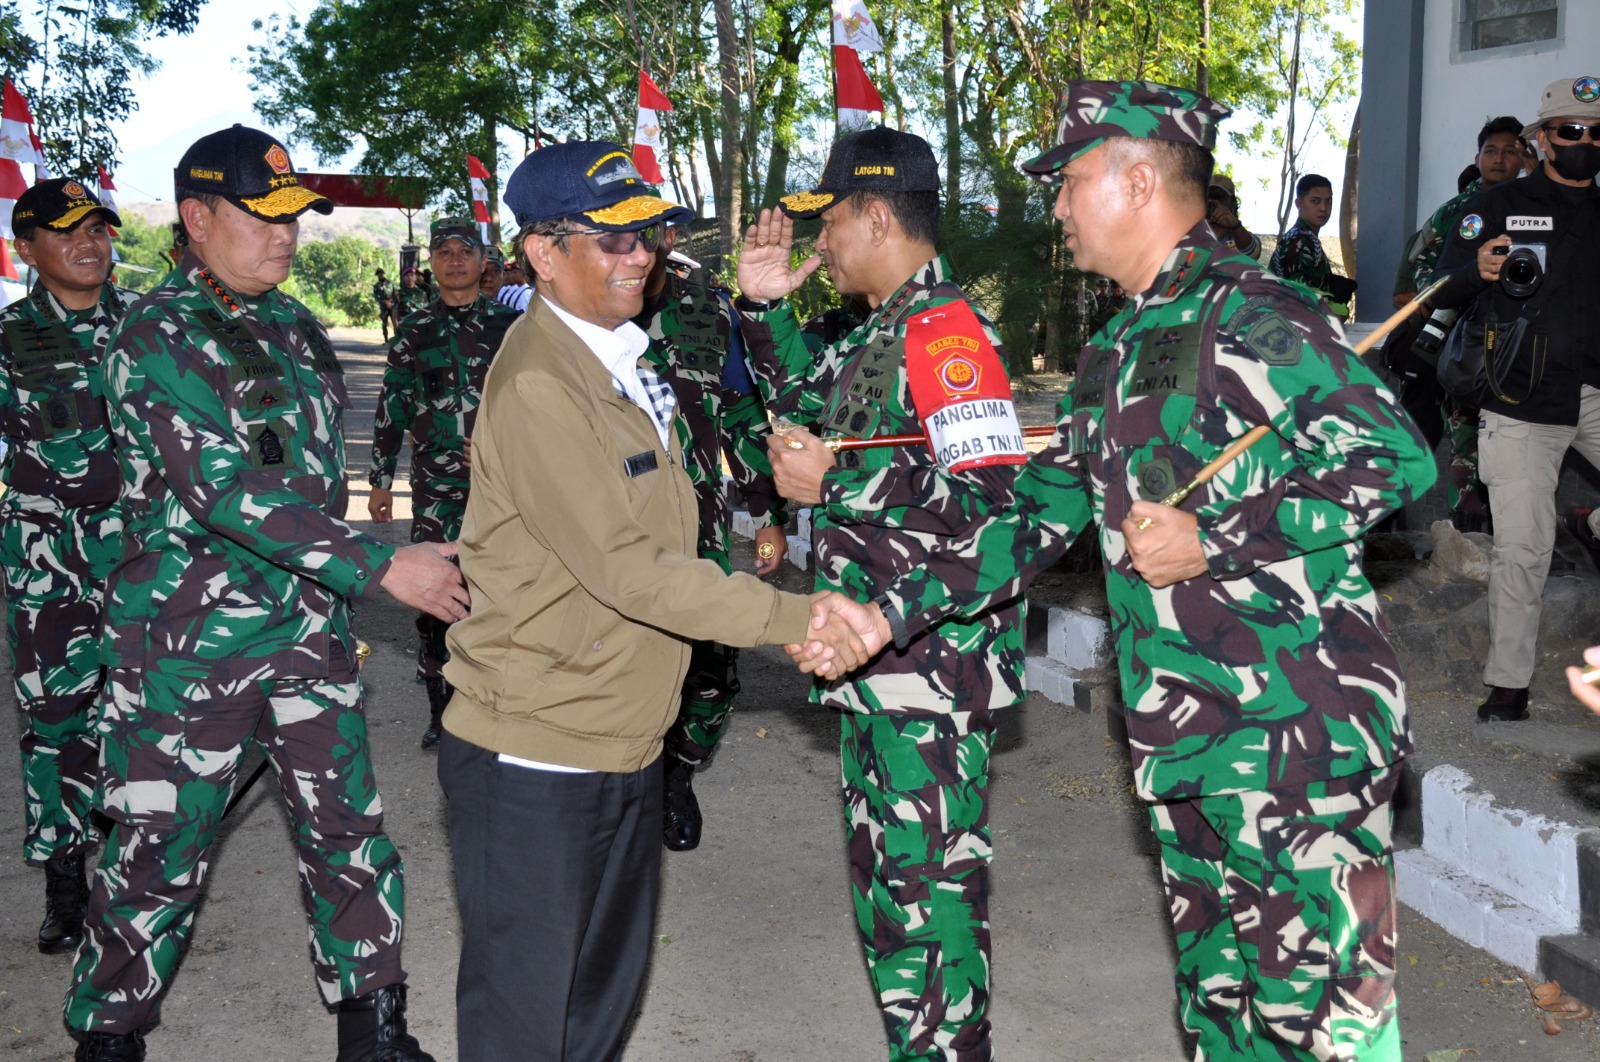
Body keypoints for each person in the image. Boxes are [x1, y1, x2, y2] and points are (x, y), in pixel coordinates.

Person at [788, 80, 1437, 1061]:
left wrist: (1214, 532)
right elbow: (1032, 513)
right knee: (1224, 1021)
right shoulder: (1117, 348)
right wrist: (888, 613)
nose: (1054, 207)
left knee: (1326, 1034)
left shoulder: (1255, 311)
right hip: (1186, 743)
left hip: (1295, 745)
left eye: (1070, 180)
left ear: (1138, 180)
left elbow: (1394, 458)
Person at [434, 139, 868, 1062]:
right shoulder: (545, 381)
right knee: (527, 1018)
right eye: (613, 240)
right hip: (538, 754)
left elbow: (668, 520)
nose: (642, 257)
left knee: (597, 1004)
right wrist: (802, 616)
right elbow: (632, 569)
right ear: (543, 252)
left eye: (649, 236)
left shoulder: (618, 358)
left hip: (621, 736)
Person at [63, 124, 470, 1062]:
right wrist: (381, 565)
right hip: (189, 648)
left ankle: (376, 1031)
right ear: (198, 219)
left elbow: (307, 483)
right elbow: (222, 490)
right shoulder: (153, 333)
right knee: (159, 852)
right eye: (265, 216)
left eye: (295, 217)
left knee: (349, 833)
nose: (287, 236)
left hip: (306, 632)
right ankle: (109, 1037)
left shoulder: (291, 326)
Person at [736, 124, 1029, 1061]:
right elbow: (809, 405)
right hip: (880, 660)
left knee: (929, 895)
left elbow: (999, 504)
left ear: (873, 214)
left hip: (931, 670)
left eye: (830, 225)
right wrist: (765, 308)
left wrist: (843, 486)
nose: (819, 244)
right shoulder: (883, 330)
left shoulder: (944, 333)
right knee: (892, 894)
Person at [1428, 77, 1600, 723]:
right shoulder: (1495, 204)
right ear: (1542, 138)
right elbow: (1439, 286)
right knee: (1523, 550)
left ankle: (1589, 523)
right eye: (1570, 131)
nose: (1585, 142)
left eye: (1596, 133)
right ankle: (1508, 686)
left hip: (1594, 392)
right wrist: (1480, 271)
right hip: (1520, 397)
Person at [0, 179, 136, 958]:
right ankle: (64, 882)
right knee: (54, 725)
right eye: (67, 232)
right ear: (27, 249)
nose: (90, 243)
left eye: (99, 229)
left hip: (147, 566)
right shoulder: (11, 338)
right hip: (47, 572)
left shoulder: (151, 331)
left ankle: (133, 873)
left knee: (140, 717)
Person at [634, 219, 790, 851]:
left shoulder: (706, 303)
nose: (641, 245)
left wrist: (767, 512)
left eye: (652, 231)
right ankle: (621, 787)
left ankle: (677, 771)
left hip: (696, 521)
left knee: (711, 670)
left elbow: (742, 409)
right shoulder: (573, 306)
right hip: (606, 525)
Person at [369, 217, 518, 748]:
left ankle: (504, 702)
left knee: (509, 588)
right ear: (432, 263)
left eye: (466, 251)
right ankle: (443, 708)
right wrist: (380, 480)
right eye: (444, 251)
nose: (455, 260)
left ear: (485, 263)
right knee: (439, 593)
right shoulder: (413, 330)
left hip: (508, 487)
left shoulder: (513, 328)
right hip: (437, 486)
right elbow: (393, 404)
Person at [1392, 116, 1528, 533]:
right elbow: (1418, 269)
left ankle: (1508, 524)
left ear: (1523, 157)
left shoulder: (1534, 206)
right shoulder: (1461, 210)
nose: (1500, 159)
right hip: (1464, 340)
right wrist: (1433, 306)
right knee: (1464, 432)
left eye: (1510, 151)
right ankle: (1467, 524)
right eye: (1491, 151)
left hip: (1520, 344)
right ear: (1478, 157)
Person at [1270, 172, 1356, 317]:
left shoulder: (1305, 238)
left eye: (1328, 201)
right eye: (1315, 201)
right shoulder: (1299, 240)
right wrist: (1336, 313)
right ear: (1299, 204)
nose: (1323, 208)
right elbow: (1299, 300)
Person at [1206, 173, 1261, 259]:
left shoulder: (1240, 238)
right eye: (1208, 196)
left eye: (1219, 196)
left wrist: (1235, 225)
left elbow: (1252, 252)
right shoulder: (1192, 232)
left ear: (1233, 203)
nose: (1213, 201)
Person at [372, 267, 396, 342]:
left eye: (381, 274)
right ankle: (386, 339)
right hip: (383, 307)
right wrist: (384, 301)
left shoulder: (390, 283)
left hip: (392, 306)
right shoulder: (376, 286)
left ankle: (397, 338)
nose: (380, 275)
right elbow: (376, 296)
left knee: (395, 322)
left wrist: (392, 301)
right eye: (379, 274)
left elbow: (395, 293)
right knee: (384, 323)